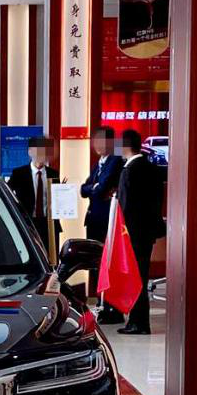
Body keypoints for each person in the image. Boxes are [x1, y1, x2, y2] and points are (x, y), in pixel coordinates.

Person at [115, 128, 166, 335]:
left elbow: (125, 206)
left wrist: (121, 232)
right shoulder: (152, 169)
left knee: (135, 278)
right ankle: (139, 321)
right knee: (142, 277)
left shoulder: (130, 170)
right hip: (147, 233)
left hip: (132, 234)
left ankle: (138, 322)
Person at [80, 126, 126, 322]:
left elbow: (101, 188)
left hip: (107, 220)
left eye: (102, 141)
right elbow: (83, 189)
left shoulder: (115, 161)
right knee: (97, 264)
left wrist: (94, 188)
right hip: (95, 219)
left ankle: (110, 307)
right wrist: (94, 187)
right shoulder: (98, 163)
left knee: (108, 264)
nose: (98, 145)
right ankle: (102, 303)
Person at [7, 136, 60, 258]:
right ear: (30, 152)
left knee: (50, 258)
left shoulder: (53, 174)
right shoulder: (19, 173)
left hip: (48, 224)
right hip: (28, 223)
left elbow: (57, 198)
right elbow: (8, 193)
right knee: (30, 256)